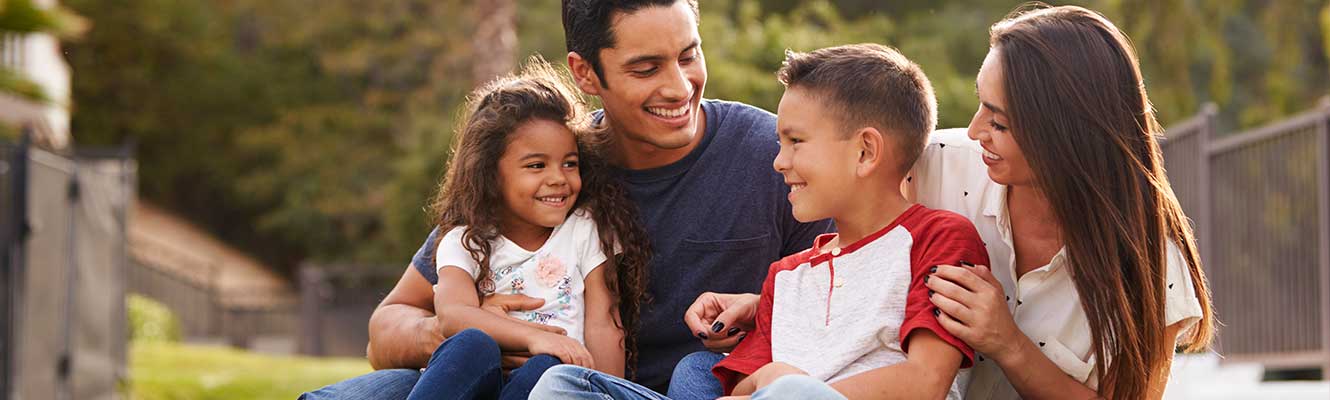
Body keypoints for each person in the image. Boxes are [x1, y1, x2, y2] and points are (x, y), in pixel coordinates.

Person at [682, 5, 1216, 400]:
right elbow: (867, 256)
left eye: (999, 120)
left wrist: (1008, 343)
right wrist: (775, 306)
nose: (976, 129)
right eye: (980, 107)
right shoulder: (937, 161)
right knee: (693, 376)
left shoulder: (1153, 263)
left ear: (1065, 135)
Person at [300, 1, 832, 398]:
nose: (678, 86)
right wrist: (474, 326)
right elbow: (385, 329)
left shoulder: (772, 154)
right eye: (645, 68)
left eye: (689, 56)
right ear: (585, 73)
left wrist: (760, 316)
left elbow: (846, 300)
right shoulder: (548, 166)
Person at [530, 43, 988, 400]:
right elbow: (741, 386)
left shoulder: (938, 237)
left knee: (790, 389)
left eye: (795, 142)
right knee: (565, 385)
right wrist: (765, 383)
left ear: (865, 151)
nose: (778, 162)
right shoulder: (786, 276)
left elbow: (926, 382)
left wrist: (784, 384)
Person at [399, 57, 651, 400]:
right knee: (472, 343)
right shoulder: (465, 240)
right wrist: (533, 336)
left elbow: (604, 322)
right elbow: (453, 314)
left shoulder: (585, 229)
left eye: (569, 163)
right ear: (490, 174)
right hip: (478, 382)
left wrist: (603, 391)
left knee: (548, 365)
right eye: (536, 165)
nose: (558, 179)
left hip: (550, 385)